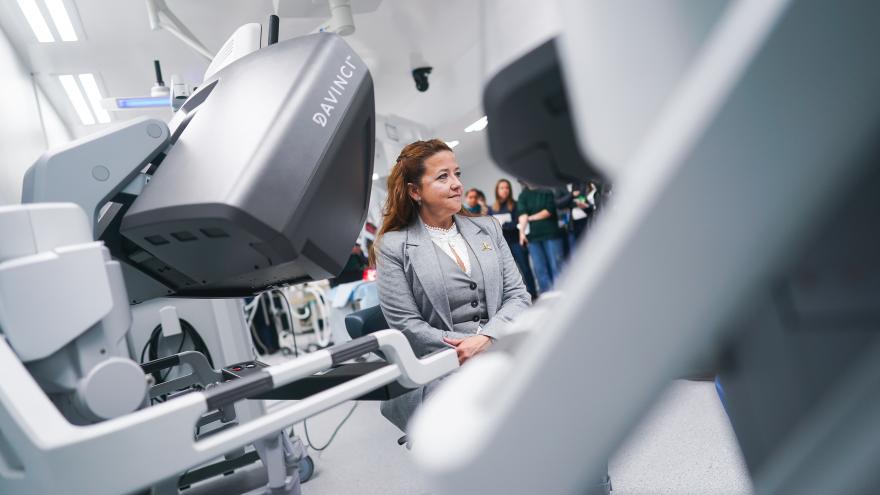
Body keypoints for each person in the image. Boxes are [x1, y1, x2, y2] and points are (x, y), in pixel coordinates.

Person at [370, 139, 532, 432]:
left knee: (567, 385)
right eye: (443, 177)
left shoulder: (488, 228)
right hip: (443, 365)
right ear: (415, 191)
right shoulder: (394, 247)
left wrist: (487, 339)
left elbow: (518, 296)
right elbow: (407, 326)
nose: (457, 184)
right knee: (485, 422)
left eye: (457, 173)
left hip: (502, 345)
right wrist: (465, 350)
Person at [487, 178, 538, 298]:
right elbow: (490, 226)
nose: (505, 190)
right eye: (502, 188)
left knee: (525, 269)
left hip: (516, 242)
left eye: (507, 188)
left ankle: (533, 294)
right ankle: (516, 297)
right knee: (508, 274)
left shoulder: (515, 205)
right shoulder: (492, 209)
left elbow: (519, 223)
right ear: (497, 190)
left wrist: (505, 225)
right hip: (501, 245)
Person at [517, 184, 565, 294]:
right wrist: (522, 233)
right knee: (539, 268)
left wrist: (530, 217)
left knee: (556, 264)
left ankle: (562, 291)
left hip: (551, 234)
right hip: (533, 238)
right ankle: (547, 294)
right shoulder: (523, 195)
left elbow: (548, 211)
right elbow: (522, 215)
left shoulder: (547, 191)